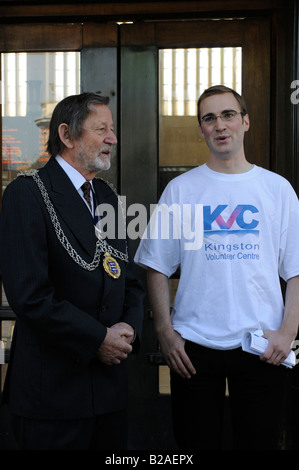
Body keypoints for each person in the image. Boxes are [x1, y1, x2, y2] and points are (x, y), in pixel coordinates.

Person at [134, 85, 299, 450]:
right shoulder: (181, 190)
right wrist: (165, 330)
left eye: (227, 115)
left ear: (245, 122)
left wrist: (288, 332)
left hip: (262, 344)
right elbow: (156, 266)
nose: (220, 125)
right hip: (193, 347)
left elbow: (296, 269)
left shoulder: (277, 189)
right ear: (201, 129)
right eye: (209, 118)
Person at [0, 92, 144, 450]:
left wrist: (129, 327)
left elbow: (130, 282)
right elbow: (30, 296)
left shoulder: (108, 197)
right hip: (52, 396)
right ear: (67, 135)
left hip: (109, 393)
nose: (112, 138)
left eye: (112, 130)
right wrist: (98, 339)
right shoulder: (27, 193)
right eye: (101, 129)